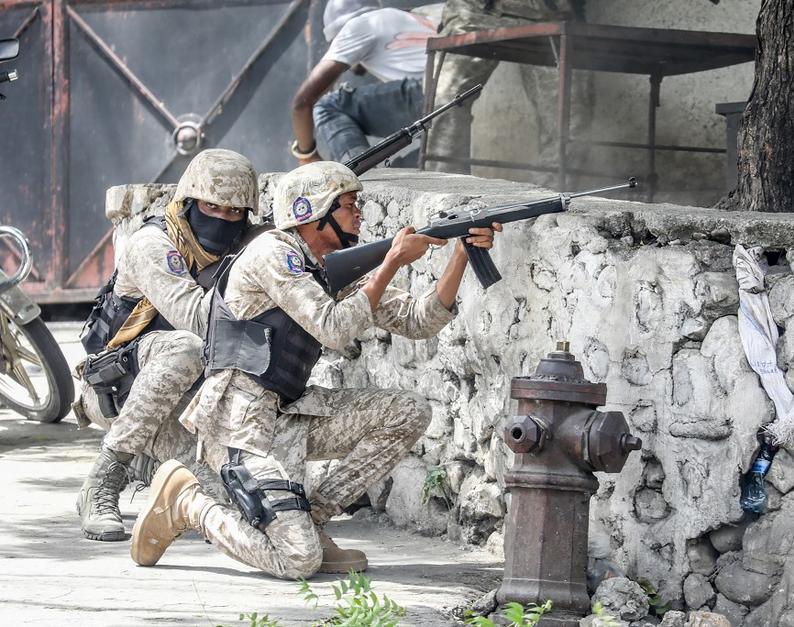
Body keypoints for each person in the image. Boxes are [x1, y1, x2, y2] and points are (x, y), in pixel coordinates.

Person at [130, 161, 500, 578]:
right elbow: (334, 328)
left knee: (409, 411)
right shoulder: (274, 253)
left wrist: (460, 252)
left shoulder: (326, 267)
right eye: (348, 205)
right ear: (312, 212)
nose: (359, 214)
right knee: (298, 561)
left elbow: (419, 320)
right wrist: (393, 261)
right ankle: (190, 504)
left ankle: (311, 521)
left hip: (290, 414)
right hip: (242, 426)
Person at [74, 149, 259, 541]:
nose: (223, 219)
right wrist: (257, 272)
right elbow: (198, 321)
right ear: (189, 202)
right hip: (120, 389)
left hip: (191, 404)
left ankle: (147, 466)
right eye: (212, 207)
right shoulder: (153, 244)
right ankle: (103, 480)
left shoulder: (244, 244)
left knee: (239, 499)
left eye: (234, 212)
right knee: (187, 347)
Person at [424, 0, 591, 183]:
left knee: (572, 120)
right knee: (444, 104)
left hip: (548, 14)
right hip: (475, 13)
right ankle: (446, 190)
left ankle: (548, 196)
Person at [289, 0, 438, 165]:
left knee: (327, 106)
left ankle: (360, 172)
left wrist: (306, 155)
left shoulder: (356, 26)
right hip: (452, 97)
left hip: (427, 91)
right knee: (412, 166)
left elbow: (302, 103)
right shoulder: (405, 17)